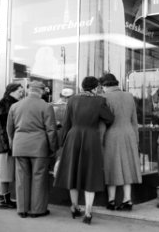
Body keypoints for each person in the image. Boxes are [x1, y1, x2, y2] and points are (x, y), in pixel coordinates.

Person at [54, 76, 114, 225]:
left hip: (73, 137)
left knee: (72, 172)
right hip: (91, 138)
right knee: (90, 175)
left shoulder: (72, 100)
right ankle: (88, 212)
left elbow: (67, 122)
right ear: (95, 88)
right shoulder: (99, 101)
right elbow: (110, 118)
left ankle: (74, 207)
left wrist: (62, 143)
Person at [7, 80, 57, 218]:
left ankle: (22, 209)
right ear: (41, 91)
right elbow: (51, 130)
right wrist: (53, 148)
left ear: (29, 90)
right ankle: (37, 210)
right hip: (39, 148)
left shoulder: (15, 106)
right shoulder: (46, 106)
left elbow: (9, 129)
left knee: (21, 178)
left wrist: (14, 143)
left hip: (20, 146)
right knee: (39, 178)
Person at [99, 73, 142, 211]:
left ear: (104, 85)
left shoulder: (104, 97)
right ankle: (127, 200)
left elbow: (102, 123)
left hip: (112, 134)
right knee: (127, 166)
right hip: (129, 133)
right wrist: (136, 139)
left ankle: (111, 201)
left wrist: (99, 140)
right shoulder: (129, 96)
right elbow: (134, 120)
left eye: (102, 87)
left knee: (111, 166)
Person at [0, 83, 23, 209]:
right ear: (12, 91)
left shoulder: (8, 102)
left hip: (5, 143)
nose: (22, 93)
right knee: (5, 173)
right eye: (19, 91)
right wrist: (8, 144)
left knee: (6, 173)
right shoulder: (7, 104)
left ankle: (4, 199)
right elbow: (4, 127)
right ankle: (3, 200)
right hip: (6, 144)